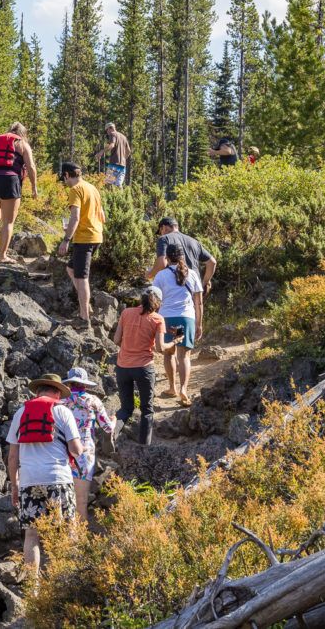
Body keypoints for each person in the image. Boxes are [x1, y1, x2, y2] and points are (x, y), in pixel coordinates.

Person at [6, 374, 87, 575]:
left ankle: (33, 587)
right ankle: (67, 581)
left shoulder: (21, 412)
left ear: (38, 391)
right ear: (57, 392)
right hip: (58, 479)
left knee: (32, 535)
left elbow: (12, 456)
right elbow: (76, 449)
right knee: (68, 530)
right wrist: (83, 448)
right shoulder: (62, 411)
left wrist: (15, 486)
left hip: (29, 481)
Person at [112, 286, 183, 445]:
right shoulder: (158, 319)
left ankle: (112, 433)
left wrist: (130, 345)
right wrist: (175, 341)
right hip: (144, 367)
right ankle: (144, 448)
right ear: (158, 303)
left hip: (123, 366)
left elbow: (116, 340)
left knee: (125, 409)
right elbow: (160, 348)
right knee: (147, 410)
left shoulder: (126, 313)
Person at [152, 245, 204, 406]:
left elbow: (154, 300)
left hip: (166, 318)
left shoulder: (160, 276)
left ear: (166, 258)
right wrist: (199, 324)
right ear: (183, 257)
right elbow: (199, 302)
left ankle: (171, 387)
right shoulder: (193, 274)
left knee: (169, 354)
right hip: (185, 318)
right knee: (184, 356)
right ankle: (183, 389)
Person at [0, 122, 39, 264]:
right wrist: (34, 187)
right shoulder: (23, 144)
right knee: (8, 221)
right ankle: (2, 256)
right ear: (23, 133)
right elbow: (31, 166)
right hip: (10, 180)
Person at [58, 367, 114, 519]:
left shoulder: (61, 402)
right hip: (84, 454)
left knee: (61, 502)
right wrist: (115, 422)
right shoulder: (93, 400)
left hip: (62, 453)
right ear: (85, 384)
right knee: (81, 502)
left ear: (68, 384)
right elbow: (107, 427)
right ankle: (80, 539)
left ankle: (59, 539)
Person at [57, 162, 106, 327]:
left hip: (85, 239)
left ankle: (84, 318)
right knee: (71, 269)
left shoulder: (75, 190)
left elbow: (75, 217)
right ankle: (87, 307)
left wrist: (66, 239)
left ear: (67, 175)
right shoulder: (92, 188)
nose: (65, 182)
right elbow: (103, 216)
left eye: (64, 178)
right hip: (96, 235)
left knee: (82, 277)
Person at [146, 216, 216, 294]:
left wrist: (149, 274)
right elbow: (212, 262)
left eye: (160, 232)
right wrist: (205, 282)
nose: (160, 234)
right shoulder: (193, 241)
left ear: (163, 227)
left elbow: (162, 263)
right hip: (195, 289)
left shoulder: (164, 239)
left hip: (176, 290)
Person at [94, 122, 131, 187]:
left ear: (110, 128)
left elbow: (112, 145)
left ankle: (109, 197)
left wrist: (101, 152)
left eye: (107, 130)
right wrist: (124, 158)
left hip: (114, 164)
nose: (107, 132)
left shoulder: (113, 134)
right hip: (122, 166)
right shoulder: (123, 137)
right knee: (119, 185)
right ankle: (121, 197)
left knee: (109, 183)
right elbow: (128, 151)